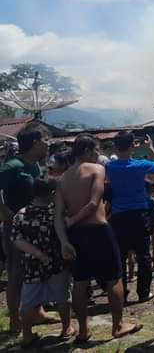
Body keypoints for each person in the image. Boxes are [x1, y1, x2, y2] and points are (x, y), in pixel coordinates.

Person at [55, 134, 141, 343]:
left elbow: (58, 216)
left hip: (75, 236)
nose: (98, 154)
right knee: (114, 278)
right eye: (96, 150)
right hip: (98, 230)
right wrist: (74, 220)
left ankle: (83, 330)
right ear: (86, 151)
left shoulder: (63, 179)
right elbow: (94, 203)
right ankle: (117, 325)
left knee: (80, 281)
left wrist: (65, 240)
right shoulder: (97, 169)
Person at [0, 122, 55, 334]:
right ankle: (15, 319)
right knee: (16, 275)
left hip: (35, 227)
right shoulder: (13, 165)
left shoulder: (35, 167)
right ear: (34, 142)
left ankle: (37, 312)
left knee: (35, 272)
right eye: (45, 140)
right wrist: (4, 211)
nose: (48, 144)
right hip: (16, 229)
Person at [106, 131, 154, 303]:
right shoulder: (140, 165)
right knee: (143, 255)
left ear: (116, 146)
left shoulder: (109, 167)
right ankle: (143, 292)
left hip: (118, 217)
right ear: (133, 145)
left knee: (121, 257)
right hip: (139, 215)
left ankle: (122, 294)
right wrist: (151, 148)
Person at [11, 179, 74, 348]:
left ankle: (27, 335)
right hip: (57, 262)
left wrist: (36, 253)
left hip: (32, 265)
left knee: (28, 301)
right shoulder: (56, 213)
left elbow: (16, 240)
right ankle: (66, 328)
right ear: (52, 193)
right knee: (62, 297)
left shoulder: (21, 213)